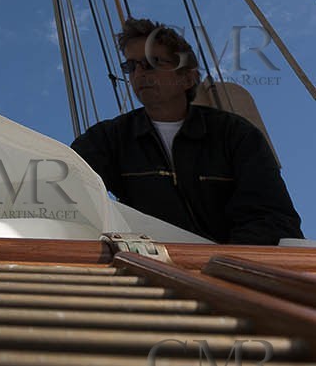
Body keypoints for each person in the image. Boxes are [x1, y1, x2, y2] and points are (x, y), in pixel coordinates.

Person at [72, 17, 303, 244]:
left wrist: (218, 266)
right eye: (131, 66)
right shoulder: (110, 138)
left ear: (187, 77)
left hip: (230, 269)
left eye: (152, 63)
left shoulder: (235, 135)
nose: (139, 74)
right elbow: (64, 180)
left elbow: (274, 218)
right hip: (151, 269)